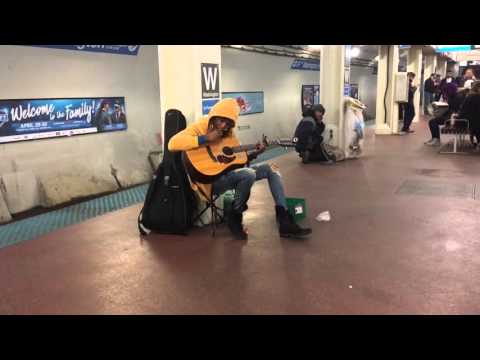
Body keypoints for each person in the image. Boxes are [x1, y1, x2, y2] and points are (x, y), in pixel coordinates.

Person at [168, 98, 312, 240]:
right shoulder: (199, 127)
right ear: (214, 116)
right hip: (209, 182)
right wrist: (204, 138)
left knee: (271, 168)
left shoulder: (229, 134)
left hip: (228, 175)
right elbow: (172, 143)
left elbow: (237, 162)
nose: (223, 126)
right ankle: (235, 215)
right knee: (248, 174)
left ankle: (284, 218)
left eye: (228, 124)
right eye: (221, 121)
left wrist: (255, 153)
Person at [458, 81, 480, 148]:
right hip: (469, 121)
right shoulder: (475, 97)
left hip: (466, 119)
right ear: (478, 88)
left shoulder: (470, 96)